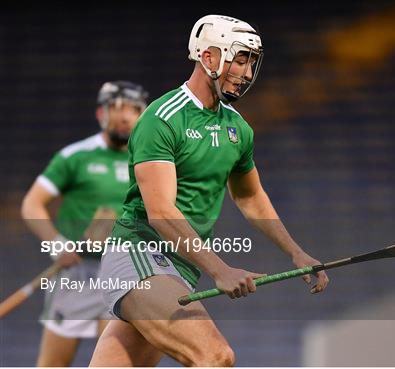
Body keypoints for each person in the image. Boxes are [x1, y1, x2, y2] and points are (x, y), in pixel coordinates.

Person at [90, 15, 329, 367]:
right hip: (139, 255)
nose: (247, 73)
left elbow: (250, 198)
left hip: (179, 270)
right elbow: (160, 212)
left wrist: (296, 253)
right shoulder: (162, 118)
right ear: (210, 57)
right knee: (215, 357)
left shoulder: (238, 129)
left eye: (252, 62)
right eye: (241, 58)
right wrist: (221, 270)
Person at [21, 81, 148, 366]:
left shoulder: (149, 160)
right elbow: (32, 204)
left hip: (122, 273)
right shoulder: (75, 156)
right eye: (116, 108)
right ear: (100, 113)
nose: (124, 116)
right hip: (77, 273)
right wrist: (57, 245)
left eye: (132, 110)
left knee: (112, 363)